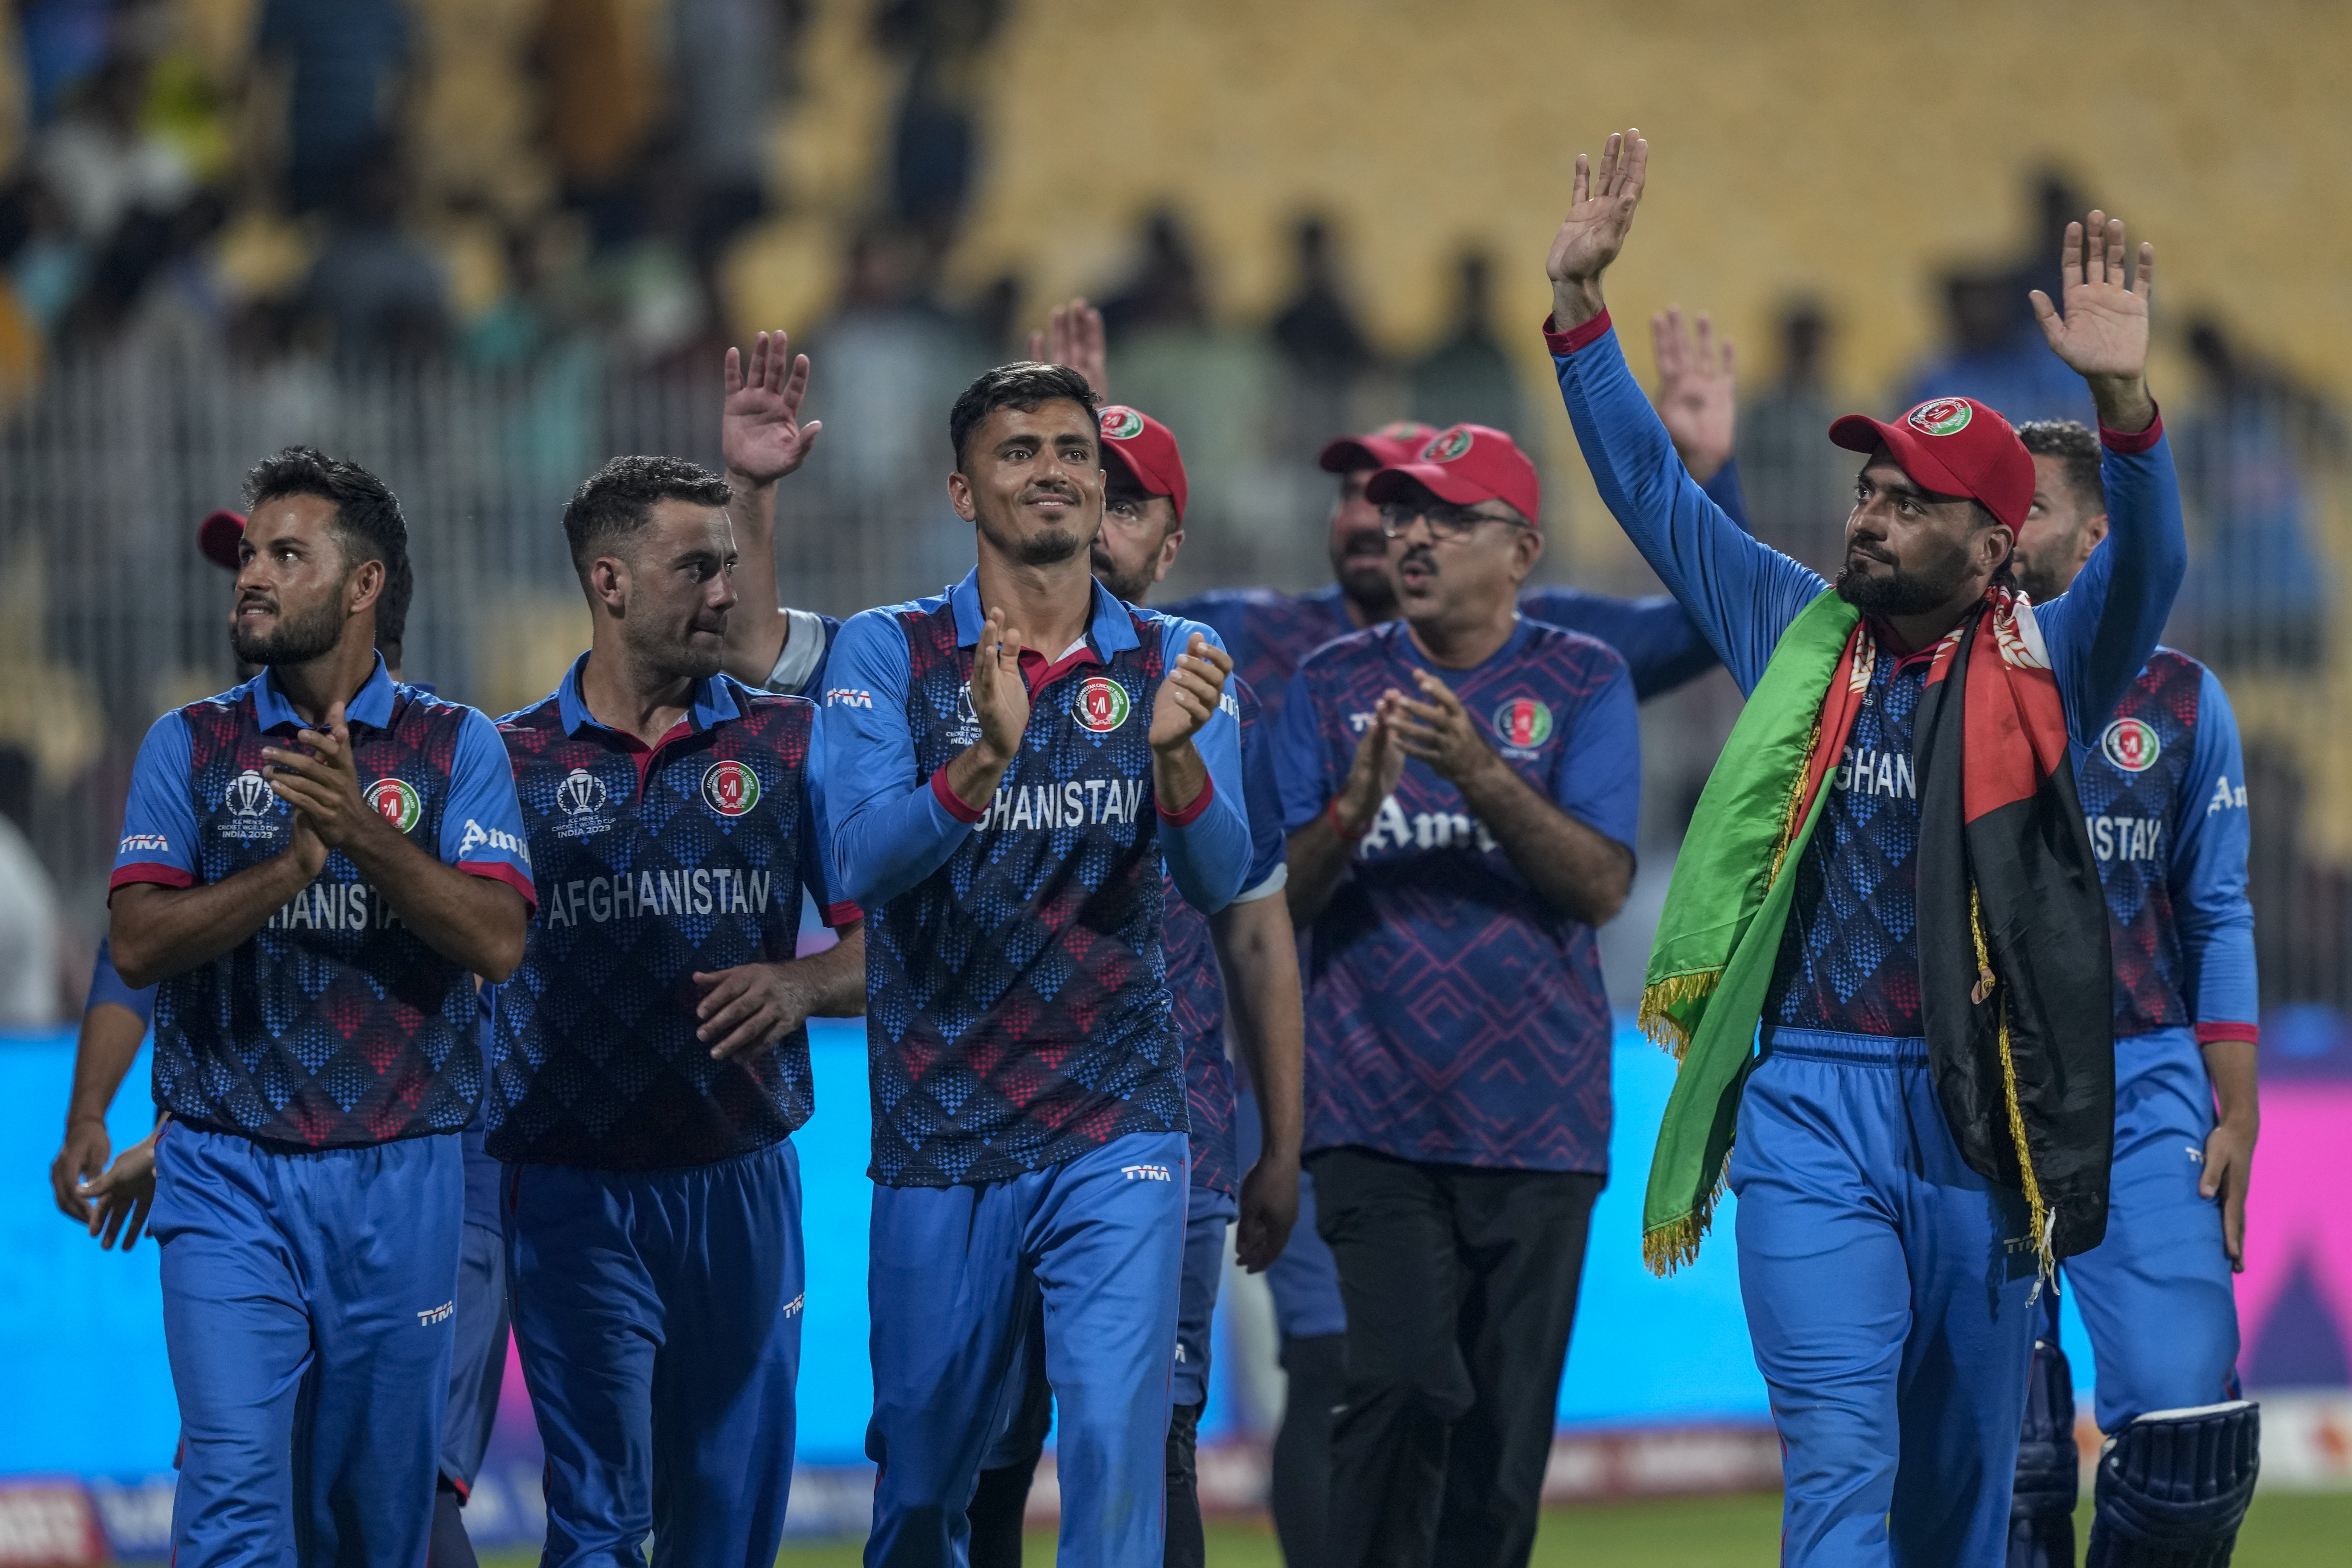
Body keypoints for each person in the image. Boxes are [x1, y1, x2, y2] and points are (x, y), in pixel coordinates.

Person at [1543, 129, 2185, 1567]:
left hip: (1981, 1125)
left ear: (1992, 545)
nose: (1869, 516)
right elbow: (1651, 495)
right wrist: (1582, 319)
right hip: (1809, 1108)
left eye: (1908, 502)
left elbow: (2147, 566)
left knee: (1958, 1496)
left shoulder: (2053, 671)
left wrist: (2124, 405)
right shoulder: (1792, 629)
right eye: (1868, 491)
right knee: (1839, 1455)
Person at [821, 361, 1251, 1566]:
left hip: (1117, 1123)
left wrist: (1173, 758)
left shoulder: (1175, 654)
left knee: (1116, 1452)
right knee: (921, 1484)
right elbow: (855, 860)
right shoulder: (884, 653)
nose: (1055, 469)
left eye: (1074, 450)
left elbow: (1224, 878)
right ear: (963, 491)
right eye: (1019, 451)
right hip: (939, 1132)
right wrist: (978, 765)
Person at [104, 448, 535, 1567]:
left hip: (404, 1177)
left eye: (285, 554)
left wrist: (360, 840)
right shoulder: (189, 744)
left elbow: (496, 937)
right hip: (224, 1172)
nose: (251, 574)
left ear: (363, 585)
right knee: (235, 1497)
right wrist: (285, 874)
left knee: (372, 1519)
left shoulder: (456, 747)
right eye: (248, 553)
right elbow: (139, 942)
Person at [487, 451, 866, 1568]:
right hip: (572, 1192)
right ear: (608, 582)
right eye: (695, 566)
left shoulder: (788, 746)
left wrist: (800, 984)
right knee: (599, 1523)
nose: (726, 593)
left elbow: (884, 954)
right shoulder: (502, 763)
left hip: (738, 1176)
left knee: (726, 1523)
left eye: (731, 566)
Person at [1273, 419, 1639, 1568]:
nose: (1411, 535)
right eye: (1403, 513)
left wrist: (1479, 771)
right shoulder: (1328, 686)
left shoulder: (1583, 679)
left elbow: (1598, 886)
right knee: (1398, 1380)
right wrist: (1355, 801)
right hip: (1369, 1115)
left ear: (1519, 548)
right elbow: (1276, 898)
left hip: (1540, 1125)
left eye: (1445, 515)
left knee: (1497, 1450)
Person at [962, 401, 1305, 1568]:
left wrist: (1279, 1145)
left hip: (1165, 1142)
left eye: (1129, 503)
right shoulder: (929, 670)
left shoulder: (1207, 694)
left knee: (1153, 1449)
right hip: (971, 1136)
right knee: (977, 1459)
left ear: (1169, 547)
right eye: (1078, 487)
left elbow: (1255, 929)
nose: (1096, 520)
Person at [2002, 419, 2261, 1565]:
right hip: (1969, 1089)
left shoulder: (2184, 703)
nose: (1999, 529)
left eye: (2029, 509)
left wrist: (2237, 1111)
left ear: (2101, 537)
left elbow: (2215, 912)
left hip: (2142, 1079)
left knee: (2188, 1436)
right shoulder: (1925, 681)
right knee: (2002, 1462)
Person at [715, 329, 844, 698]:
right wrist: (746, 484)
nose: (1026, 475)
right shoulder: (901, 649)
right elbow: (748, 646)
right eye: (1016, 454)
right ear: (961, 493)